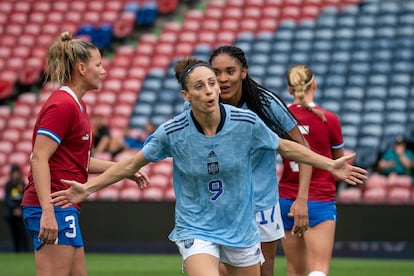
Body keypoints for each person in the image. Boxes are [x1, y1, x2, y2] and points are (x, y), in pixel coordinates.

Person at [50, 57, 367, 276]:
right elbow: (132, 163)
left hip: (241, 229)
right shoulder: (172, 132)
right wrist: (88, 187)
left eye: (212, 84)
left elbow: (286, 146)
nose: (209, 91)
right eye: (199, 86)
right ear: (186, 95)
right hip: (196, 228)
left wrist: (331, 166)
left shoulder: (246, 122)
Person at [20, 32, 149, 276]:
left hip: (64, 205)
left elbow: (80, 161)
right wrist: (47, 211)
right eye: (98, 64)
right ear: (81, 68)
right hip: (52, 205)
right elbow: (38, 158)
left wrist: (124, 170)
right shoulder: (62, 105)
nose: (103, 71)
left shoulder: (77, 105)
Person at [209, 45, 313, 276]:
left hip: (261, 205)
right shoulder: (205, 105)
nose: (223, 79)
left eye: (230, 71)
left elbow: (303, 150)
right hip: (220, 205)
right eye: (216, 72)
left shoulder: (264, 104)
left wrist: (302, 199)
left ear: (243, 72)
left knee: (264, 273)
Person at [278, 64, 345, 276]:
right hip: (319, 199)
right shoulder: (329, 119)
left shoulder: (280, 118)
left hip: (285, 200)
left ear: (290, 90)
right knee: (319, 269)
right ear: (313, 85)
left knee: (294, 270)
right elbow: (339, 163)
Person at [2, 163, 31, 252]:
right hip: (12, 214)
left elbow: (24, 196)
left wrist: (19, 208)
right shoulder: (8, 185)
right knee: (14, 233)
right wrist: (13, 209)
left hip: (21, 212)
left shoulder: (22, 183)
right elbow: (7, 199)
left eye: (16, 172)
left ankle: (26, 250)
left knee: (23, 232)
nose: (15, 175)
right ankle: (16, 250)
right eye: (14, 173)